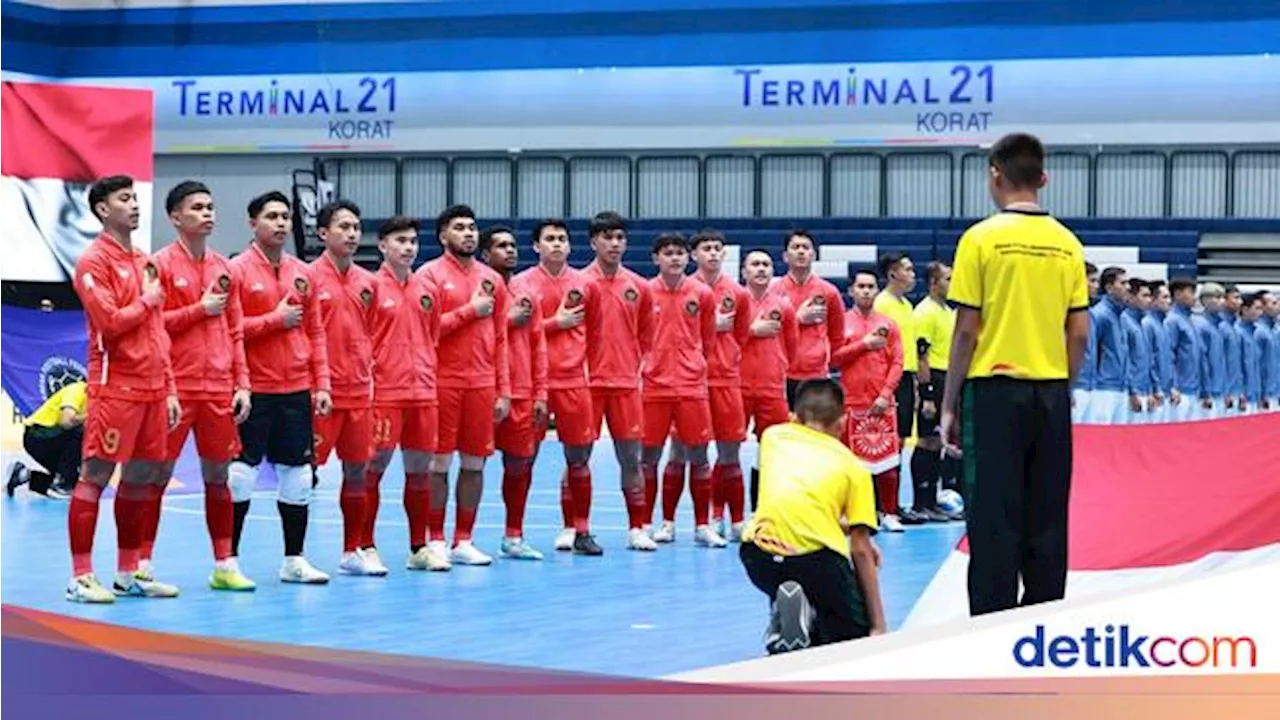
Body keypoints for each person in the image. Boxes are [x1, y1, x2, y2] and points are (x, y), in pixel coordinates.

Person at [939, 132, 1091, 618]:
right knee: (1046, 514)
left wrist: (948, 402)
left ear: (995, 175)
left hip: (993, 394)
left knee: (994, 517)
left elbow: (966, 331)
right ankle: (1043, 624)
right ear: (1044, 179)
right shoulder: (1067, 244)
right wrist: (1061, 386)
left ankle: (991, 627)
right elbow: (1080, 332)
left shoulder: (980, 239)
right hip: (1049, 392)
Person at [67, 174, 183, 603]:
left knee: (141, 478)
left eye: (135, 197)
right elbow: (111, 324)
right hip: (114, 387)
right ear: (102, 209)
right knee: (95, 476)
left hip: (154, 389)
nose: (134, 204)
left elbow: (158, 334)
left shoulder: (144, 260)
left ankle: (128, 572)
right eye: (124, 198)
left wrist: (169, 388)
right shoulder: (92, 262)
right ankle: (80, 576)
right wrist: (149, 299)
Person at [151, 180, 255, 591]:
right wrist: (198, 310)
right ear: (176, 217)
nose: (208, 213)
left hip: (218, 391)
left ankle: (224, 563)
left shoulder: (224, 268)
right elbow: (152, 327)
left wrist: (241, 384)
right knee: (155, 477)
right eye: (197, 208)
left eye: (210, 207)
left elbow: (235, 332)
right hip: (176, 389)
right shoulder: (158, 266)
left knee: (219, 477)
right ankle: (141, 562)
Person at [228, 191, 332, 584]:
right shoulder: (235, 270)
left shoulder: (303, 273)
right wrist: (273, 320)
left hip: (296, 389)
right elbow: (229, 331)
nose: (281, 223)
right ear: (253, 223)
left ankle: (294, 560)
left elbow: (316, 332)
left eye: (286, 216)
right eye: (272, 216)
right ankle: (229, 561)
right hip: (254, 389)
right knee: (240, 476)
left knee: (299, 476)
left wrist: (321, 383)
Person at [739, 378, 885, 654]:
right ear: (842, 423)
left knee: (789, 579)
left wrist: (844, 528)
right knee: (851, 633)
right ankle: (809, 619)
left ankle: (791, 618)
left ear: (794, 417)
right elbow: (861, 551)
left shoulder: (772, 437)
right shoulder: (853, 468)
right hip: (817, 564)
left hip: (758, 558)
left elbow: (797, 499)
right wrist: (878, 625)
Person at [417, 204, 511, 566]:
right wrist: (469, 311)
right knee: (438, 465)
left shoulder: (493, 279)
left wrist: (503, 389)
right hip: (442, 383)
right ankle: (436, 538)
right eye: (460, 228)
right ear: (444, 237)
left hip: (482, 384)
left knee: (475, 464)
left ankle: (463, 539)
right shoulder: (428, 276)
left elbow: (501, 337)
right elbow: (426, 332)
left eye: (472, 228)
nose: (469, 233)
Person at [514, 219, 602, 556]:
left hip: (574, 382)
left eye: (562, 239)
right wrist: (556, 323)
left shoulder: (585, 284)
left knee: (579, 458)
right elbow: (519, 330)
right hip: (535, 382)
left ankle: (580, 529)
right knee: (524, 459)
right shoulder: (522, 283)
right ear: (536, 246)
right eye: (549, 239)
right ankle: (515, 533)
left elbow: (594, 333)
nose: (556, 244)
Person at [368, 216, 446, 570]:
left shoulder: (427, 290)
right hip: (385, 393)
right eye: (401, 240)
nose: (409, 247)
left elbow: (433, 338)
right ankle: (364, 546)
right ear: (384, 245)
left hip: (423, 394)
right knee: (372, 470)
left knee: (420, 471)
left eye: (413, 241)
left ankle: (419, 547)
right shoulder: (370, 287)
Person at [309, 200, 382, 576]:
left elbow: (370, 335)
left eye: (356, 227)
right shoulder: (305, 278)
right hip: (318, 395)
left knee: (358, 471)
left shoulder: (369, 283)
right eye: (343, 227)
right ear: (323, 233)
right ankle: (297, 555)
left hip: (359, 394)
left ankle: (352, 550)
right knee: (305, 474)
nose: (352, 234)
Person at [581, 211, 656, 551]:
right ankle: (575, 527)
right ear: (593, 242)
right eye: (607, 237)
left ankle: (637, 527)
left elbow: (646, 336)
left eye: (620, 238)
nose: (614, 244)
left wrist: (631, 367)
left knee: (631, 457)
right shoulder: (579, 284)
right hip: (587, 384)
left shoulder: (639, 287)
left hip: (625, 383)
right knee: (577, 457)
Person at [643, 232, 721, 547]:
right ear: (656, 259)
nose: (674, 258)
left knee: (699, 457)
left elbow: (709, 339)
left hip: (691, 386)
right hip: (654, 386)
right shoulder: (644, 292)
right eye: (667, 253)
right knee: (649, 457)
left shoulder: (702, 294)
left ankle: (702, 526)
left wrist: (696, 365)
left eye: (679, 253)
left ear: (687, 258)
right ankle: (655, 523)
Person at [482, 225, 549, 560]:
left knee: (520, 464)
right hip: (483, 389)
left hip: (522, 391)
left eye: (512, 245)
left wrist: (541, 393)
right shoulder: (477, 289)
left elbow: (538, 345)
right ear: (485, 254)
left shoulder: (527, 292)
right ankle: (457, 539)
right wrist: (506, 319)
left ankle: (513, 534)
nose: (510, 251)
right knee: (471, 465)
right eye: (500, 246)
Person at [831, 269, 905, 533]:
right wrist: (863, 344)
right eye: (860, 286)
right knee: (853, 466)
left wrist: (886, 394)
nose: (865, 291)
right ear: (851, 290)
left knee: (887, 463)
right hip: (851, 404)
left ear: (877, 290)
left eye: (870, 286)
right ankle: (856, 514)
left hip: (882, 404)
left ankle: (890, 513)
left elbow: (897, 362)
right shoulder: (841, 323)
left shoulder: (889, 324)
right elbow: (834, 358)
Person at [690, 229, 751, 542]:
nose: (713, 253)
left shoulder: (738, 293)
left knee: (730, 453)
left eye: (717, 248)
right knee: (688, 453)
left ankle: (738, 520)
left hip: (727, 379)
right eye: (706, 248)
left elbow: (741, 335)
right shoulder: (687, 289)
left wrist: (725, 358)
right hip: (693, 382)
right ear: (694, 255)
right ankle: (709, 518)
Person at [738, 249, 797, 513]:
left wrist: (779, 366)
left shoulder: (783, 306)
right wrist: (751, 331)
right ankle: (722, 515)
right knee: (727, 452)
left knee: (773, 450)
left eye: (766, 264)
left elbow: (792, 346)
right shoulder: (734, 302)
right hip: (736, 386)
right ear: (744, 272)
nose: (761, 269)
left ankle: (764, 509)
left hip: (771, 388)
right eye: (755, 265)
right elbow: (722, 341)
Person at [873, 251, 925, 526]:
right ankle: (877, 505)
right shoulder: (882, 304)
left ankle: (891, 504)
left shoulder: (905, 305)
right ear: (893, 273)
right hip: (886, 378)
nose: (912, 273)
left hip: (906, 377)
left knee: (900, 441)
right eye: (907, 269)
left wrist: (915, 382)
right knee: (882, 441)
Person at [912, 261, 961, 518]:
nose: (952, 284)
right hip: (934, 378)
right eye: (948, 279)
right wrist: (927, 393)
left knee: (939, 442)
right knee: (927, 441)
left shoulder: (946, 311)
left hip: (947, 375)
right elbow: (923, 356)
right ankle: (921, 502)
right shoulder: (925, 312)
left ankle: (933, 501)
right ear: (933, 283)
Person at [775, 230, 845, 408]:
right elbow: (768, 332)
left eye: (805, 247)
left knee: (815, 429)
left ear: (813, 254)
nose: (800, 251)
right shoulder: (774, 292)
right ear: (785, 256)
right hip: (783, 374)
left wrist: (826, 362)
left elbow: (837, 335)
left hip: (816, 374)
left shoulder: (829, 292)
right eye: (795, 247)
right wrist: (797, 319)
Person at [6, 380, 86, 499]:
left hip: (54, 440)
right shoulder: (77, 390)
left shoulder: (99, 403)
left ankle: (24, 475)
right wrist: (90, 416)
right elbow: (66, 421)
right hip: (39, 436)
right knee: (80, 431)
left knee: (75, 483)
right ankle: (61, 484)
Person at [1088, 267, 1129, 425]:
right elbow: (1091, 352)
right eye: (1123, 283)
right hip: (1103, 388)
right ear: (1109, 288)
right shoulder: (1098, 315)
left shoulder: (1122, 316)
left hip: (1121, 387)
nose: (1127, 287)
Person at [1164, 278, 1203, 424]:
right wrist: (1173, 385)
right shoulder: (1172, 320)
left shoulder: (1190, 321)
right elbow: (1168, 354)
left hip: (1193, 389)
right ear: (1178, 294)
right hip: (1180, 390)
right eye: (1191, 292)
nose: (1195, 297)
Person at [1193, 283, 1227, 420]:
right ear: (1205, 301)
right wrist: (1205, 390)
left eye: (1222, 297)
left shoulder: (1220, 326)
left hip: (1220, 389)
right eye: (1217, 297)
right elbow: (1202, 360)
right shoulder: (1200, 325)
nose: (1221, 301)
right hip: (1208, 390)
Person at [1122, 278, 1154, 424]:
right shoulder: (1126, 322)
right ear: (1131, 297)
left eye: (1149, 296)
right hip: (1131, 392)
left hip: (1144, 391)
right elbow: (1126, 359)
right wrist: (1132, 391)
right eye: (1144, 296)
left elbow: (1148, 361)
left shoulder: (1142, 324)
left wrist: (1150, 390)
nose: (1149, 300)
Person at [1071, 263, 1100, 423]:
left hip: (1091, 385)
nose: (1096, 286)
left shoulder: (1091, 314)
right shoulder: (1067, 312)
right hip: (1078, 385)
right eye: (1092, 281)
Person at [1142, 280, 1175, 424]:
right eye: (1165, 297)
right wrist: (1153, 389)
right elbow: (1148, 360)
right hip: (1156, 393)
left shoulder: (1164, 326)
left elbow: (1170, 360)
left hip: (1165, 391)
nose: (1169, 301)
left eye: (1169, 297)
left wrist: (1172, 386)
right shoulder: (1148, 324)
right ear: (1153, 300)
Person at [1234, 293, 1264, 415]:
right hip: (1243, 395)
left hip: (1255, 394)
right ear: (1245, 310)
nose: (1260, 312)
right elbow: (1236, 365)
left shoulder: (1254, 333)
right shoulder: (1237, 333)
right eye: (1257, 309)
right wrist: (1240, 391)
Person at [1218, 284, 1244, 415]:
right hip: (1223, 392)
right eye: (1236, 298)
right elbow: (1219, 361)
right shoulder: (1220, 327)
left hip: (1236, 391)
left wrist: (1240, 390)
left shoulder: (1236, 328)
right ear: (1224, 300)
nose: (1240, 302)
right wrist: (1225, 391)